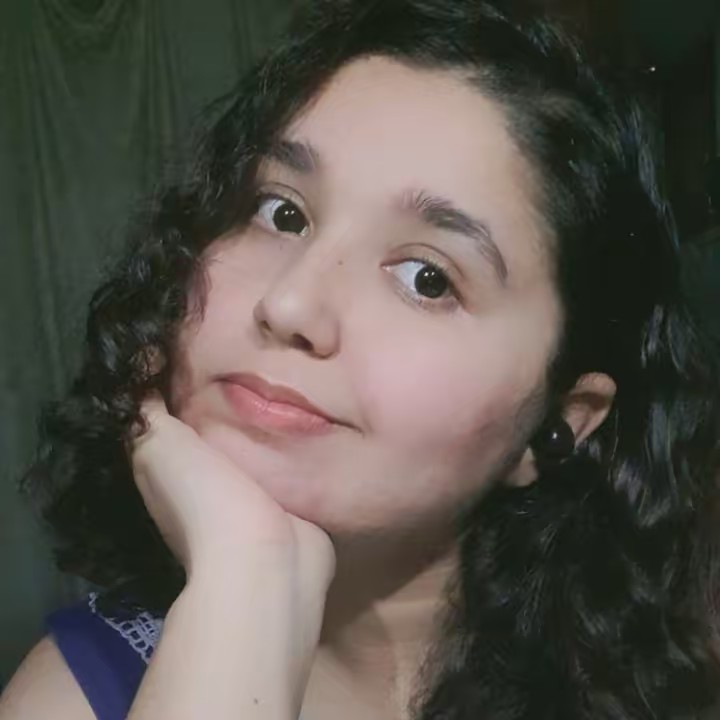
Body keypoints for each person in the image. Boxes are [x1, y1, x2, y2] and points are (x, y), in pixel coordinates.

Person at [2, 0, 720, 718]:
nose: (290, 304)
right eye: (280, 212)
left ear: (558, 421)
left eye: (427, 279)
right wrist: (246, 578)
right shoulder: (73, 697)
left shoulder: (661, 687)